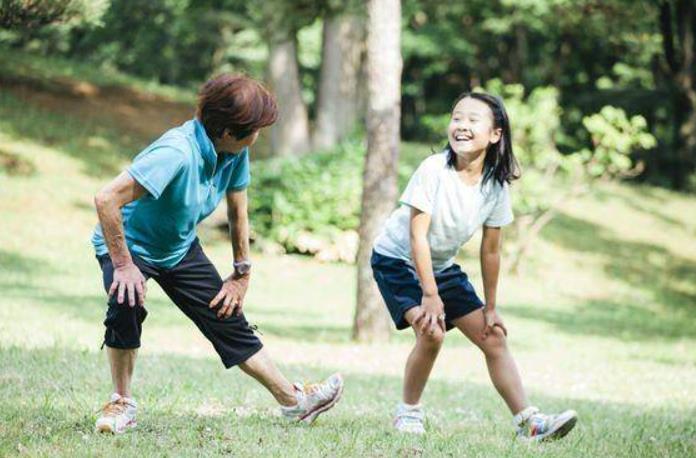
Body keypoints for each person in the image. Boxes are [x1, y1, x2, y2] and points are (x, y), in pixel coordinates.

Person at [91, 74, 343, 434]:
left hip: (177, 246)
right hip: (129, 245)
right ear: (226, 129)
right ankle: (121, 402)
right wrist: (123, 264)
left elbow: (238, 212)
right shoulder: (175, 153)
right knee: (126, 303)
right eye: (254, 128)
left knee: (224, 312)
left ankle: (293, 401)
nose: (259, 135)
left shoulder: (233, 153)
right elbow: (106, 199)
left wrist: (241, 273)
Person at [370, 92, 577, 441]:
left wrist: (491, 307)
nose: (461, 125)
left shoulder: (495, 185)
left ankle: (529, 422)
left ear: (496, 134)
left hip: (441, 265)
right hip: (397, 259)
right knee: (432, 330)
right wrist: (429, 294)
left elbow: (491, 250)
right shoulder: (434, 169)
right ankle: (407, 413)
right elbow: (417, 236)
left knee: (492, 336)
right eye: (457, 117)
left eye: (472, 120)